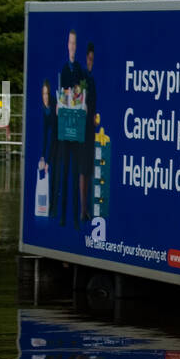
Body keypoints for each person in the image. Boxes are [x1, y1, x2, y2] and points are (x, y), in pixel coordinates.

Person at [56, 29, 85, 226]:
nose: (72, 47)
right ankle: (63, 218)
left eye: (75, 43)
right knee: (64, 171)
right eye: (70, 43)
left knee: (75, 173)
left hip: (77, 127)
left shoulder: (80, 70)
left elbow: (82, 95)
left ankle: (75, 218)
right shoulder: (64, 70)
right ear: (67, 45)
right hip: (65, 126)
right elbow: (61, 96)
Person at [81, 41, 97, 223]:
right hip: (84, 130)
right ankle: (84, 209)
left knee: (90, 169)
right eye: (90, 58)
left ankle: (88, 209)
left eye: (93, 59)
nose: (91, 62)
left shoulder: (91, 79)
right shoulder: (84, 79)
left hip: (92, 129)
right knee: (84, 170)